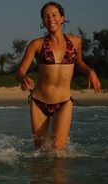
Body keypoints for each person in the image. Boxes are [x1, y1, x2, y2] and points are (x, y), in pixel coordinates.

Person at [15, 1, 101, 151]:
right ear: (42, 21)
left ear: (63, 18)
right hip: (39, 102)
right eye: (46, 16)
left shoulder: (75, 41)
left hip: (64, 102)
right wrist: (23, 79)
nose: (50, 19)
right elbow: (19, 72)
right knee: (40, 150)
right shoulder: (36, 44)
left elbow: (79, 62)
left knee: (58, 151)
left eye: (54, 15)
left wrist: (90, 71)